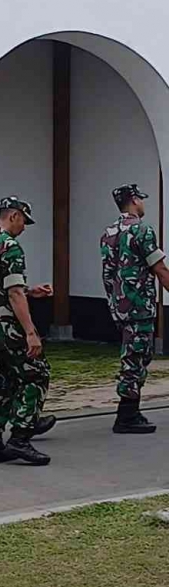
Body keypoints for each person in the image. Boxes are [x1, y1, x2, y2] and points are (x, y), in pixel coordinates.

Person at [0, 197, 55, 466]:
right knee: (37, 374)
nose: (24, 227)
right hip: (9, 329)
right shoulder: (10, 247)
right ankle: (21, 437)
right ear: (14, 216)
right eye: (24, 221)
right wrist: (31, 332)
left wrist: (29, 290)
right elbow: (13, 292)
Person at [101, 183, 169, 434]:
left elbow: (107, 274)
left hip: (120, 305)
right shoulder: (142, 231)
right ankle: (127, 414)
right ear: (133, 200)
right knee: (136, 357)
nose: (143, 202)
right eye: (141, 198)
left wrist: (113, 303)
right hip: (140, 306)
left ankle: (129, 410)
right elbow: (159, 269)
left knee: (134, 354)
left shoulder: (108, 232)